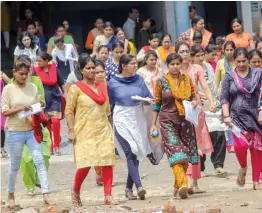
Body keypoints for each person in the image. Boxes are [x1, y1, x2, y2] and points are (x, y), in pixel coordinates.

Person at [1, 57, 54, 208]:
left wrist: (37, 108)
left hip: (32, 130)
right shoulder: (8, 89)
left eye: (26, 74)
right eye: (21, 74)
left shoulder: (32, 87)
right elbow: (5, 112)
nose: (24, 77)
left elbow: (37, 105)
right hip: (15, 132)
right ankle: (11, 194)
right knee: (15, 165)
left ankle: (46, 194)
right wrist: (21, 108)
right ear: (14, 72)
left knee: (39, 161)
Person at [65, 56, 118, 206]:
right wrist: (71, 130)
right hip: (84, 131)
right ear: (81, 70)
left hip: (103, 129)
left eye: (93, 67)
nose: (91, 70)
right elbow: (68, 111)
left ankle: (108, 195)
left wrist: (111, 128)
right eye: (88, 68)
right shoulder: (76, 88)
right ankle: (75, 190)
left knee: (107, 161)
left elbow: (107, 111)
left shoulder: (102, 86)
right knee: (85, 163)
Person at [151, 53, 198, 199]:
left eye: (178, 64)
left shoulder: (187, 79)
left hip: (185, 121)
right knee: (175, 151)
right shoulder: (161, 81)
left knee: (185, 152)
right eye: (172, 64)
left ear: (181, 64)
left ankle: (177, 187)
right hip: (167, 121)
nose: (175, 67)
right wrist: (153, 124)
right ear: (167, 65)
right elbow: (157, 103)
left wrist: (195, 101)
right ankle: (183, 182)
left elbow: (193, 96)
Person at [108, 54, 152, 200]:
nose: (135, 66)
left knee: (137, 152)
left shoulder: (139, 79)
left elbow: (147, 97)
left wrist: (146, 102)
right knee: (130, 152)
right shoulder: (113, 83)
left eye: (135, 63)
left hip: (137, 117)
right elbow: (109, 105)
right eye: (132, 63)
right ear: (123, 66)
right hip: (121, 118)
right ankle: (139, 186)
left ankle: (128, 188)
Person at [176, 41, 216, 193]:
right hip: (179, 111)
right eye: (182, 51)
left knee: (196, 146)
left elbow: (205, 86)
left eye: (187, 51)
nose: (185, 54)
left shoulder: (197, 68)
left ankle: (195, 183)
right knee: (182, 146)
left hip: (196, 111)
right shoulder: (174, 69)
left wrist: (211, 102)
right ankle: (184, 181)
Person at [220, 47, 262, 190]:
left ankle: (256, 181)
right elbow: (224, 98)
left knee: (257, 149)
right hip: (236, 117)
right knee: (240, 145)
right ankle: (243, 167)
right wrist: (226, 116)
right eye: (239, 61)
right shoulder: (229, 76)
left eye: (244, 61)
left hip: (256, 116)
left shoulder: (257, 74)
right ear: (234, 61)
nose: (242, 64)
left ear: (249, 60)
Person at [192, 45, 228, 175]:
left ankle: (218, 164)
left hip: (211, 103)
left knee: (219, 133)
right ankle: (199, 168)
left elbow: (212, 85)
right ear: (191, 57)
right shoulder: (190, 69)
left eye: (202, 55)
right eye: (197, 56)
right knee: (199, 137)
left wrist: (213, 99)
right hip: (197, 105)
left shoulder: (207, 67)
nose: (201, 58)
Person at [33, 52, 65, 156]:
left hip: (55, 97)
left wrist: (66, 96)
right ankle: (50, 146)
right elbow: (32, 86)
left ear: (46, 61)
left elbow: (61, 83)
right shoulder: (35, 71)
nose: (38, 62)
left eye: (40, 61)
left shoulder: (54, 68)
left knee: (55, 121)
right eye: (37, 60)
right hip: (43, 99)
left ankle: (57, 145)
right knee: (47, 124)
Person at [0, 71, 9, 157]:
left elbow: (9, 83)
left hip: (1, 102)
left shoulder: (1, 74)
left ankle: (1, 148)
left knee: (2, 127)